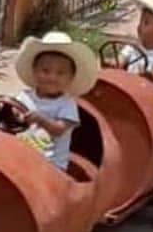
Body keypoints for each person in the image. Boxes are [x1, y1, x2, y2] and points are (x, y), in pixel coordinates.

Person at [11, 30, 99, 170]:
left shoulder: (67, 104)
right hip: (23, 158)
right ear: (34, 71)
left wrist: (40, 120)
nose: (52, 77)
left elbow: (59, 130)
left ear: (70, 78)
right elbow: (13, 112)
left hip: (52, 166)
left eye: (60, 73)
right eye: (45, 71)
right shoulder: (24, 97)